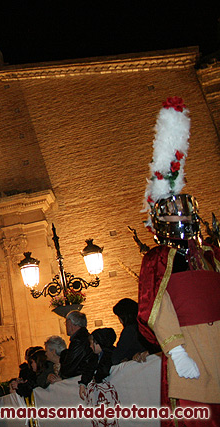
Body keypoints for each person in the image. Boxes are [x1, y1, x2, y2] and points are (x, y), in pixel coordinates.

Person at [138, 98, 220, 425]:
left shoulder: (210, 255)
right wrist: (175, 349)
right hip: (190, 349)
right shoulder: (159, 259)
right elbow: (153, 306)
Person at [79, 328, 117, 400]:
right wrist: (83, 383)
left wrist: (96, 377)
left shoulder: (110, 354)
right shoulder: (95, 357)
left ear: (97, 342)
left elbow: (104, 370)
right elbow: (89, 369)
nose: (90, 346)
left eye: (91, 343)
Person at [59, 310, 94, 379]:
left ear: (71, 324)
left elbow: (69, 367)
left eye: (66, 323)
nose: (65, 326)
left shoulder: (78, 341)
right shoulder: (85, 336)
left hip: (79, 378)